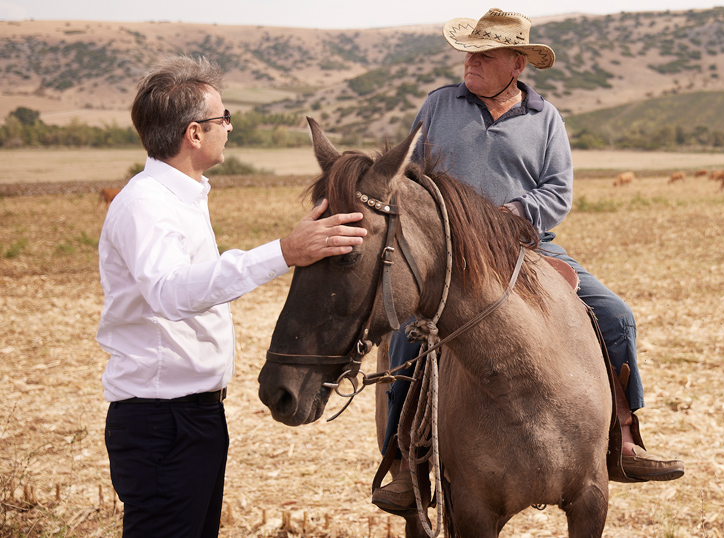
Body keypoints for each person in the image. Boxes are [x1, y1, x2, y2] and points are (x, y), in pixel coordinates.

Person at [372, 8, 684, 513]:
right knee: (409, 334)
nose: (470, 63)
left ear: (516, 64)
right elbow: (409, 178)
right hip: (449, 254)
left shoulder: (545, 118)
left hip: (527, 247)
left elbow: (557, 192)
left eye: (485, 55)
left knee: (616, 316)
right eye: (468, 53)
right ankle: (408, 464)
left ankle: (623, 441)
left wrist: (507, 216)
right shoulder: (438, 105)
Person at [97, 55, 367, 538]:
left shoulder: (183, 196)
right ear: (194, 134)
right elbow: (168, 292)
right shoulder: (146, 205)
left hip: (189, 415)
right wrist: (284, 252)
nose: (230, 127)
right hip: (163, 421)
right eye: (223, 118)